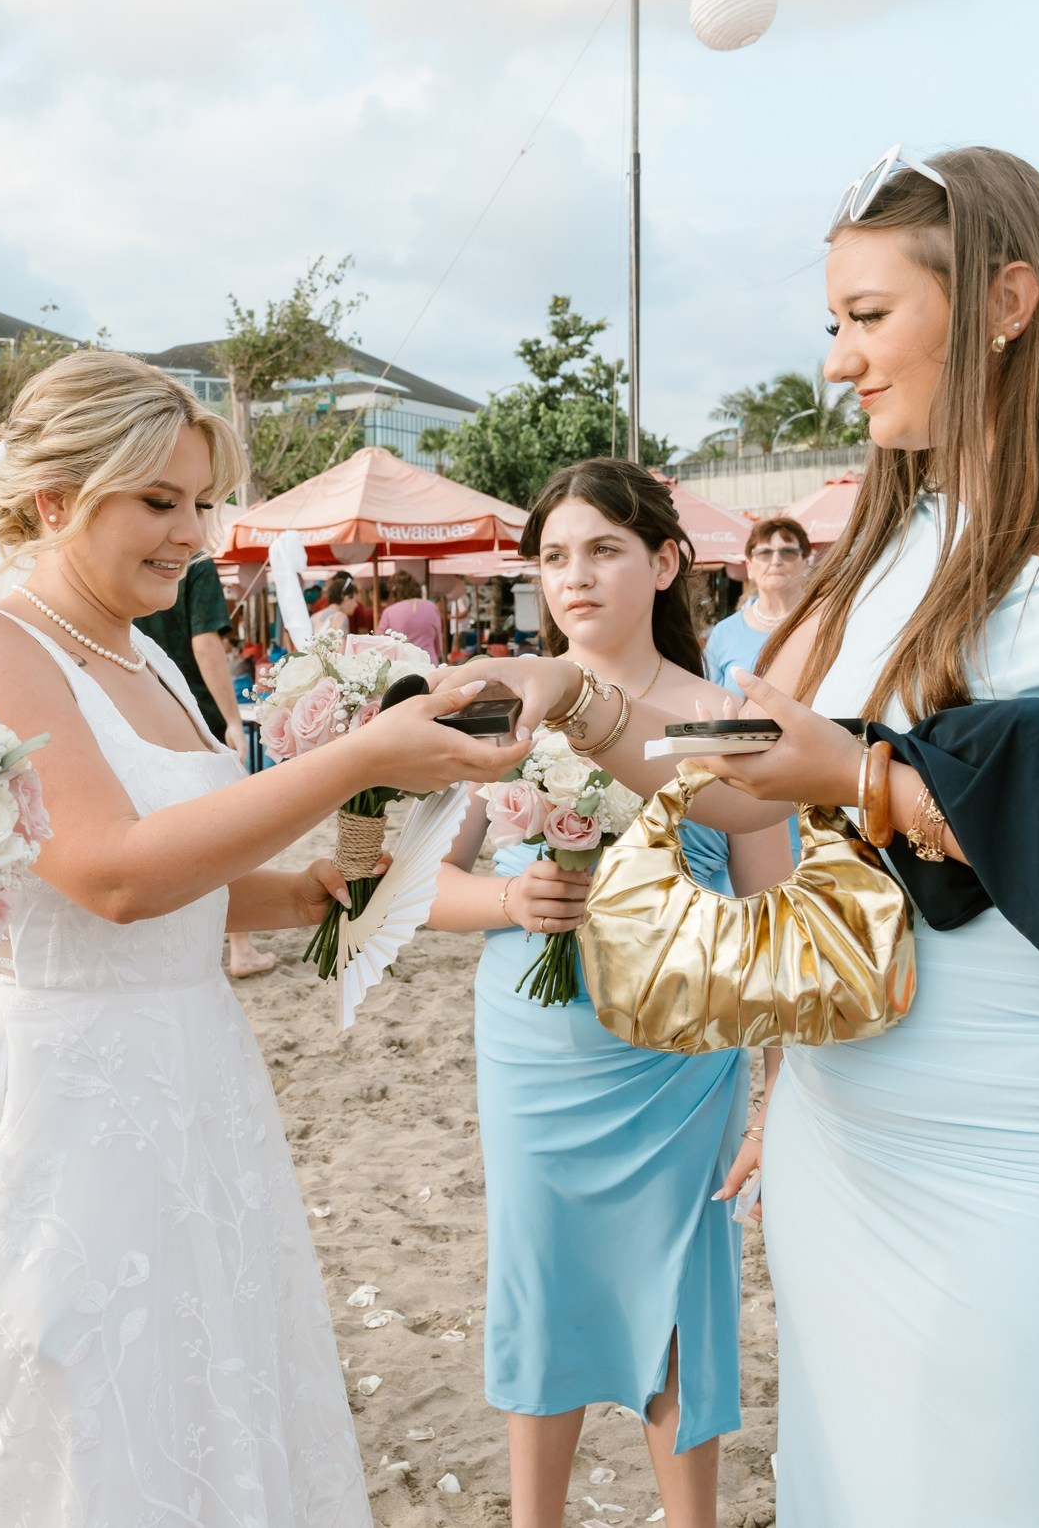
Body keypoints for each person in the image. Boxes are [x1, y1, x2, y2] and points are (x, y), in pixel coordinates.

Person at [439, 146, 1039, 1527]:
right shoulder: (891, 540)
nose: (837, 362)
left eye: (868, 317)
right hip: (856, 1124)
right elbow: (743, 791)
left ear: (1006, 301)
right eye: (833, 321)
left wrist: (869, 780)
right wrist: (578, 704)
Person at [0, 351, 529, 1526]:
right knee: (46, 1419)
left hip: (179, 1073)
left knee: (181, 1409)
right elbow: (106, 877)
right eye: (158, 501)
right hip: (43, 1094)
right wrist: (357, 757)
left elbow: (165, 871)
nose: (192, 534)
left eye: (199, 502)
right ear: (56, 499)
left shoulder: (139, 649)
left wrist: (301, 893)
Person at [426, 459, 780, 1528]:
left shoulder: (723, 715)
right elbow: (411, 891)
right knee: (539, 1285)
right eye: (554, 556)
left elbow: (773, 918)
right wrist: (508, 901)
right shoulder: (504, 710)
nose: (574, 576)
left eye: (603, 550)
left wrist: (775, 1096)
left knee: (678, 1297)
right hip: (535, 1046)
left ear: (666, 563)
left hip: (680, 1059)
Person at [131, 553, 275, 978]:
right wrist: (232, 719)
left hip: (135, 706)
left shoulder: (127, 554)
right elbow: (205, 642)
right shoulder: (193, 562)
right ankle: (241, 947)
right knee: (226, 832)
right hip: (192, 709)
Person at [701, 515, 809, 685]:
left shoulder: (826, 622)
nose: (776, 561)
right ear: (749, 568)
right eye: (765, 553)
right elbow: (708, 694)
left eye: (788, 552)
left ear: (805, 563)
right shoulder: (724, 633)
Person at [377, 569, 445, 661]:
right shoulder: (432, 608)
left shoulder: (389, 612)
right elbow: (439, 646)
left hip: (402, 665)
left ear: (393, 592)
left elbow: (379, 644)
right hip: (429, 662)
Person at [308, 568, 355, 641]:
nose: (356, 604)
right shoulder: (340, 617)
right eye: (354, 600)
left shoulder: (314, 617)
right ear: (346, 598)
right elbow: (340, 646)